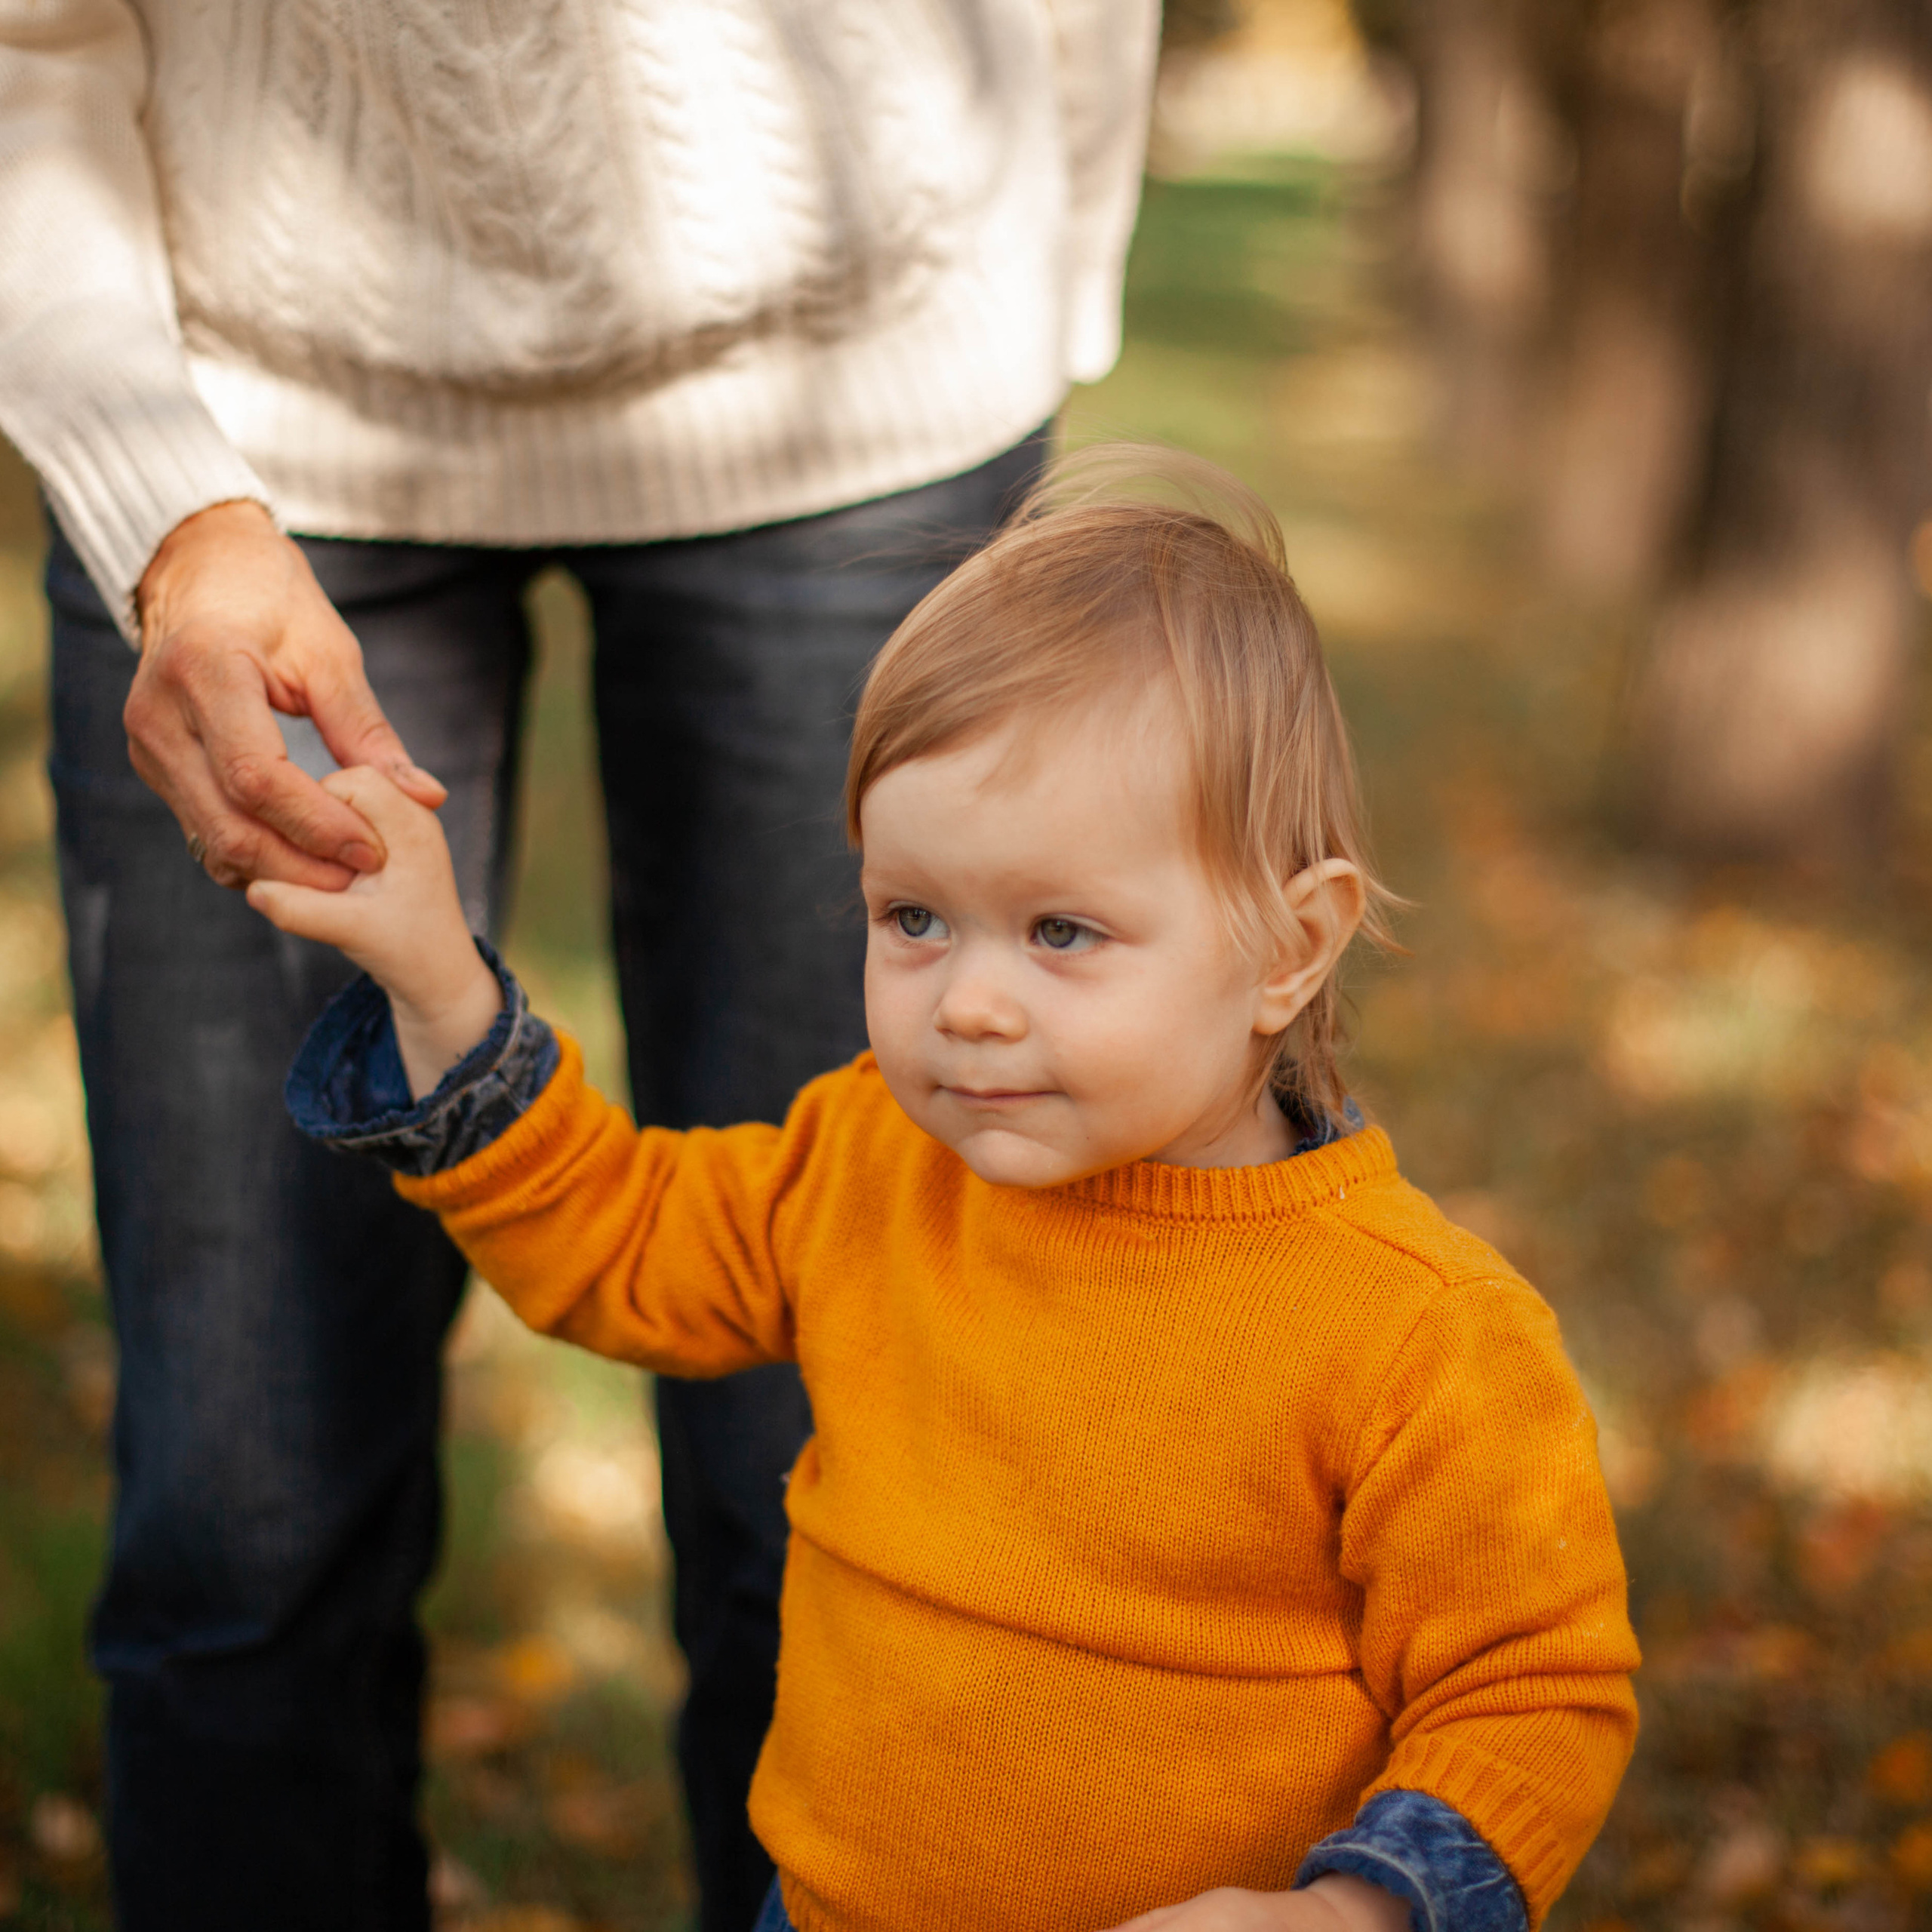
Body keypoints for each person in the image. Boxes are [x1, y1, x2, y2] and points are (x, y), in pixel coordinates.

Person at [0, 5, 1160, 1927]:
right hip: (244, 429)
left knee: (856, 1480)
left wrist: (1035, 289)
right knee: (246, 1515)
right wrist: (160, 509)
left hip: (873, 402)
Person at [257, 448, 1641, 1932]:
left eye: (1060, 930)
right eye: (912, 916)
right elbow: (621, 1238)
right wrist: (438, 986)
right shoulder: (869, 1161)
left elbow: (1530, 1684)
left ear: (1291, 944)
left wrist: (1360, 1911)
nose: (969, 1001)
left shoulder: (1413, 1331)